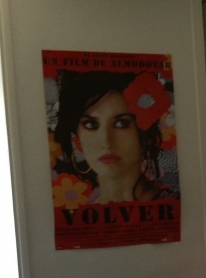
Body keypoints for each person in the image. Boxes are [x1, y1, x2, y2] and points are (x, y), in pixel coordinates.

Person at [53, 70, 177, 203]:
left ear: (144, 135)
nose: (106, 140)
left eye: (121, 123)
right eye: (90, 124)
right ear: (77, 137)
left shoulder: (173, 204)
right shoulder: (81, 209)